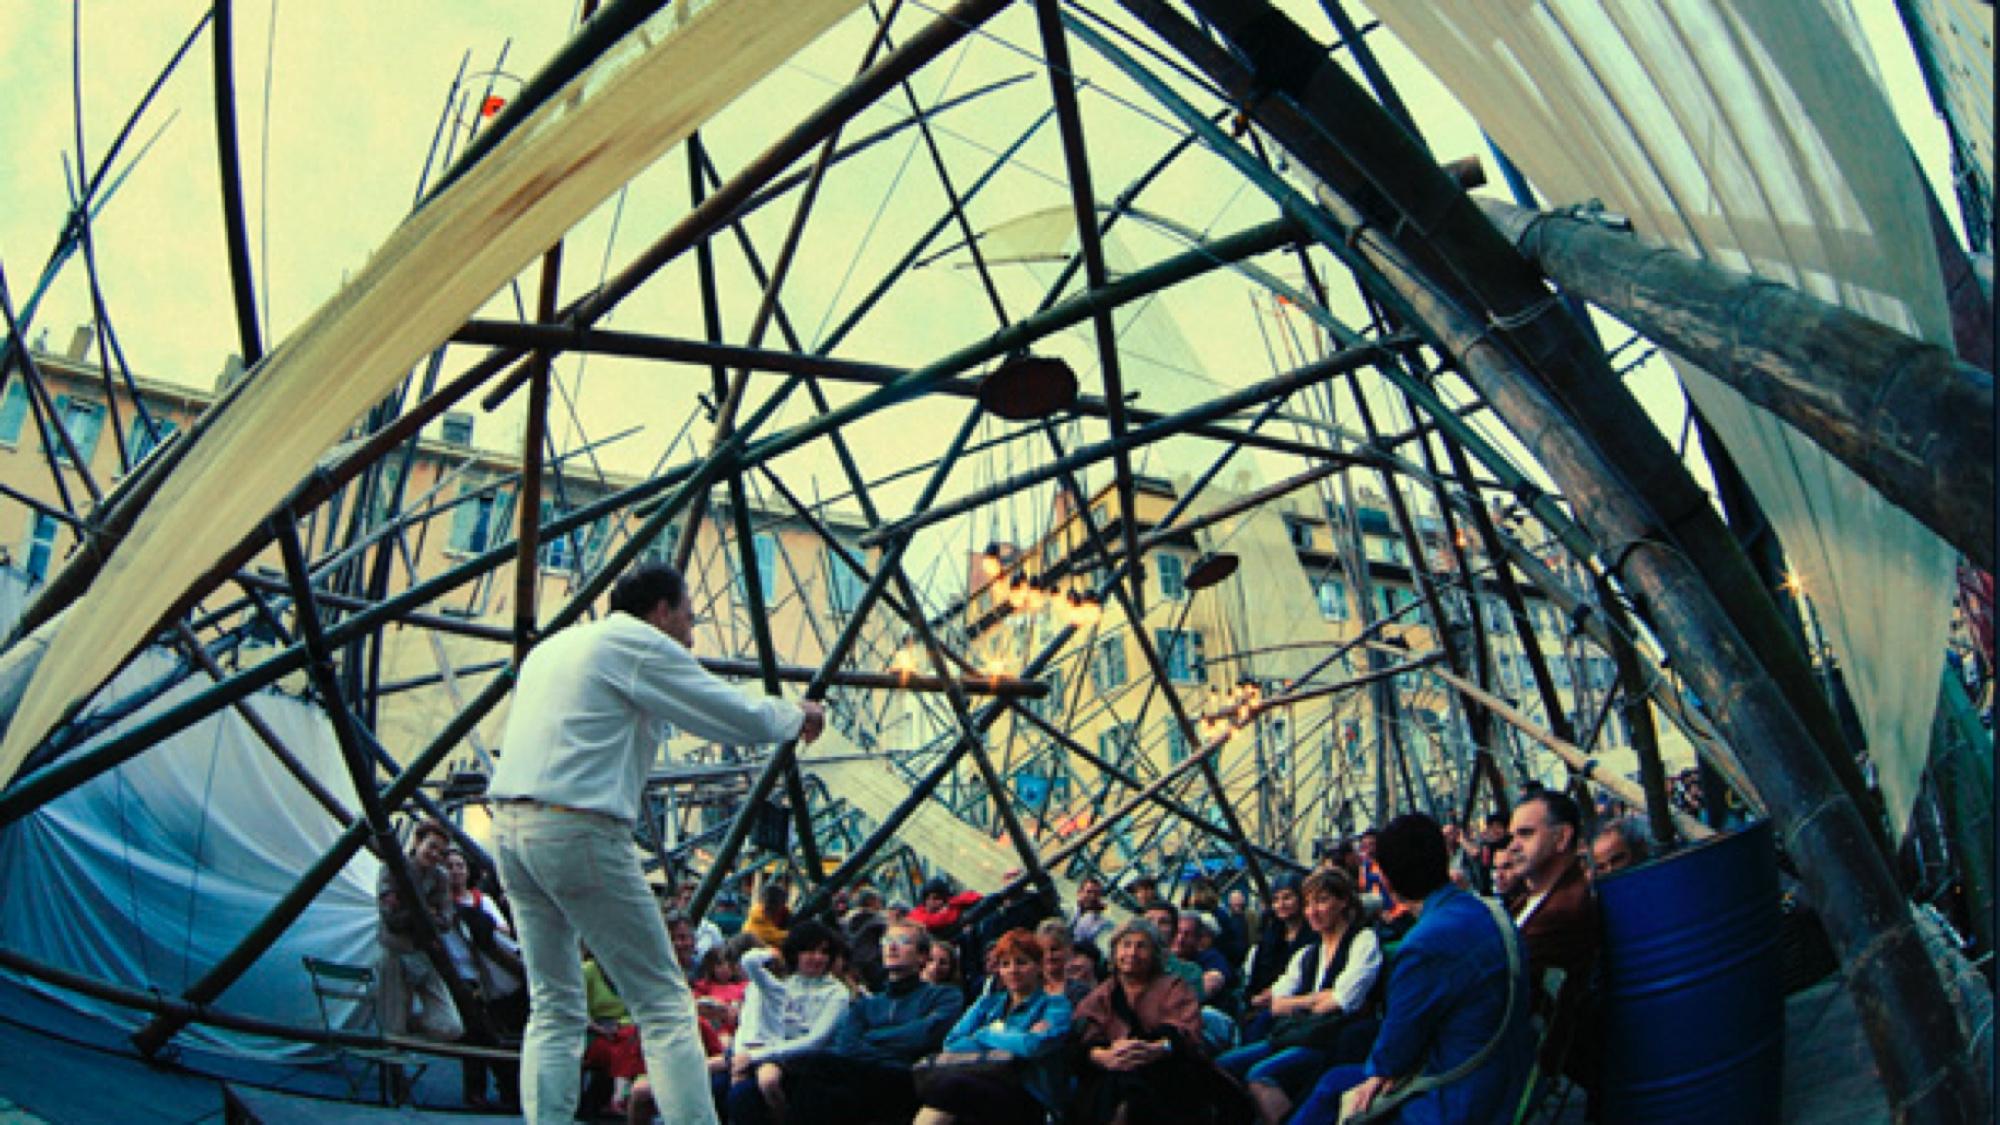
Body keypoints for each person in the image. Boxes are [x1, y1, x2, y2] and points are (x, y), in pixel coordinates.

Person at [486, 561, 826, 1124]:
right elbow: (726, 711)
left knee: (553, 1004)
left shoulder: (554, 648)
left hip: (511, 826)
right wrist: (795, 715)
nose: (690, 638)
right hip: (579, 826)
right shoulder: (637, 643)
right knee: (665, 1004)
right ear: (662, 611)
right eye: (689, 619)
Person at [1291, 814, 1532, 1124]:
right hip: (1507, 1075)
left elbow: (1395, 1050)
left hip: (1457, 1099)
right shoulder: (1492, 911)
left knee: (1332, 1089)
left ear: (1387, 880)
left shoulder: (1424, 945)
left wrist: (1381, 1072)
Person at [1218, 870, 1382, 1125]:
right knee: (1223, 1065)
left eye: (1322, 901)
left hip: (1332, 1040)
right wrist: (1315, 999)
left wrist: (1302, 1002)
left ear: (1343, 901)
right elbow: (1276, 1003)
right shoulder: (1308, 953)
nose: (1312, 911)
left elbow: (1343, 1000)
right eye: (1308, 904)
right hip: (1299, 1033)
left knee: (1260, 1075)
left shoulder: (1362, 940)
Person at [764, 921, 967, 1124]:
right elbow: (846, 1045)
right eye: (887, 940)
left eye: (903, 941)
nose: (892, 946)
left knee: (817, 1067)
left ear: (922, 956)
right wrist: (885, 1047)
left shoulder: (945, 996)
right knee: (818, 1084)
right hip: (864, 1076)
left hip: (906, 1077)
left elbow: (925, 1036)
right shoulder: (867, 1003)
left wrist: (871, 1037)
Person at [1071, 918, 1253, 1124]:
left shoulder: (1174, 987)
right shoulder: (1101, 995)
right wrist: (1101, 1056)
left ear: (1154, 953)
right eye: (1126, 945)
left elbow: (1186, 1033)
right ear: (1115, 952)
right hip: (1113, 1069)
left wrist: (1157, 1048)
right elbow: (1084, 1036)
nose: (1132, 953)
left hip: (1167, 1068)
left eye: (1141, 946)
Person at [913, 929, 1073, 1125]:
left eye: (1021, 962)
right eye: (1005, 964)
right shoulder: (988, 1002)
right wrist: (1004, 1036)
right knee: (947, 1092)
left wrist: (986, 1033)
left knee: (951, 1087)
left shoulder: (1055, 1005)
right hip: (984, 1078)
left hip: (1032, 1096)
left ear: (1038, 966)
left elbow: (1033, 1046)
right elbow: (952, 1043)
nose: (1013, 970)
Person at [1508, 790, 1600, 1084]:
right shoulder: (1532, 898)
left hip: (1535, 1062)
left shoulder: (1565, 907)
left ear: (1562, 838)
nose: (1513, 846)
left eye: (1526, 834)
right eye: (1512, 836)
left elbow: (1505, 972)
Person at [726, 919, 853, 1125]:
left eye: (823, 952)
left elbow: (816, 1040)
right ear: (795, 953)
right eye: (809, 951)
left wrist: (756, 1056)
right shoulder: (783, 983)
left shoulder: (837, 993)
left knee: (744, 1094)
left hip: (809, 1064)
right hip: (769, 1055)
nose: (818, 958)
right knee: (722, 1085)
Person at [444, 847, 524, 1109]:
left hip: (490, 974)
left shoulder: (481, 900)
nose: (456, 871)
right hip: (460, 973)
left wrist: (482, 924)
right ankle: (476, 1091)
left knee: (497, 1031)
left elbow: (504, 931)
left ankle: (507, 1089)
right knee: (475, 1033)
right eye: (450, 866)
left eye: (460, 866)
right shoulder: (438, 904)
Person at [375, 820, 465, 1042]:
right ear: (417, 842)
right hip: (396, 950)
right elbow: (391, 919)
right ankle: (399, 1032)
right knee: (393, 1030)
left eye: (440, 852)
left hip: (424, 954)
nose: (435, 855)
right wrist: (426, 912)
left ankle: (411, 1024)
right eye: (431, 846)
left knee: (450, 1026)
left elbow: (446, 920)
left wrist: (415, 911)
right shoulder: (392, 869)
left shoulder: (440, 877)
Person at [1239, 874, 1312, 1042]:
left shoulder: (1312, 937)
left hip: (1294, 1009)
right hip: (1262, 1007)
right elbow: (1256, 978)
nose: (1281, 904)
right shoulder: (1270, 938)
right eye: (1276, 900)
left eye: (1287, 898)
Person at [910, 877, 983, 939]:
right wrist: (951, 908)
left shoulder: (951, 906)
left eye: (936, 898)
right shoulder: (917, 913)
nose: (931, 902)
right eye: (927, 898)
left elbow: (975, 896)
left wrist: (952, 903)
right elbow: (933, 921)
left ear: (945, 899)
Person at [1069, 877, 1115, 948]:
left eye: (1097, 894)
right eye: (1089, 892)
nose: (1092, 897)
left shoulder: (1102, 922)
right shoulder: (1067, 909)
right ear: (1079, 892)